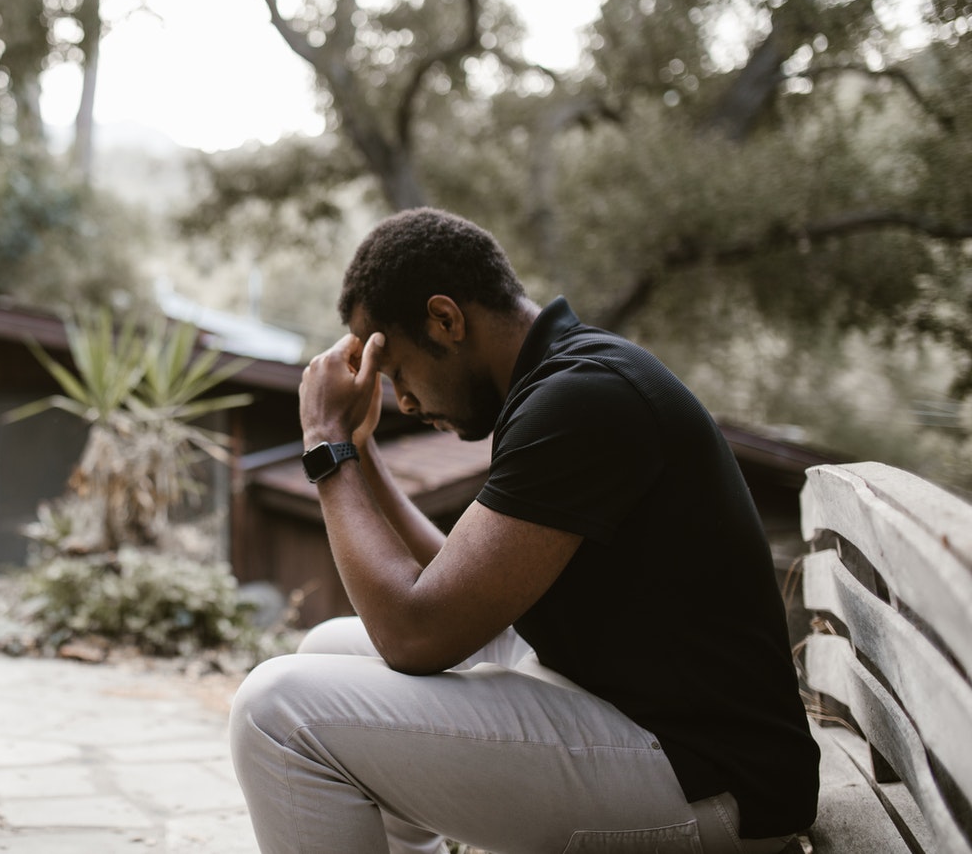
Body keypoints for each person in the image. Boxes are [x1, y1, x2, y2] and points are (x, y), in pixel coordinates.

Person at [229, 208, 817, 854]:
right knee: (328, 648)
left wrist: (324, 443)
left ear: (445, 319)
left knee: (277, 709)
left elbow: (416, 634)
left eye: (396, 372)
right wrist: (359, 449)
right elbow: (450, 588)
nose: (407, 401)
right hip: (638, 719)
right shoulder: (563, 378)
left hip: (710, 781)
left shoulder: (583, 395)